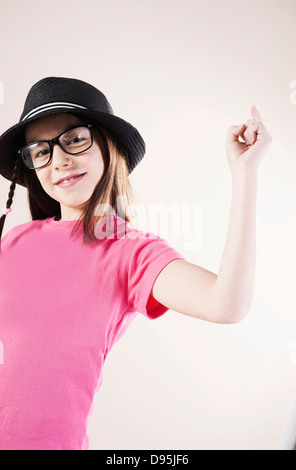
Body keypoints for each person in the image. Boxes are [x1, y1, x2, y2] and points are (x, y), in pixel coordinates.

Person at [0, 77, 272, 450]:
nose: (59, 159)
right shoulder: (14, 242)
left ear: (108, 146)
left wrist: (245, 175)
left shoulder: (129, 250)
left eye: (74, 139)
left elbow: (226, 304)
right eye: (39, 150)